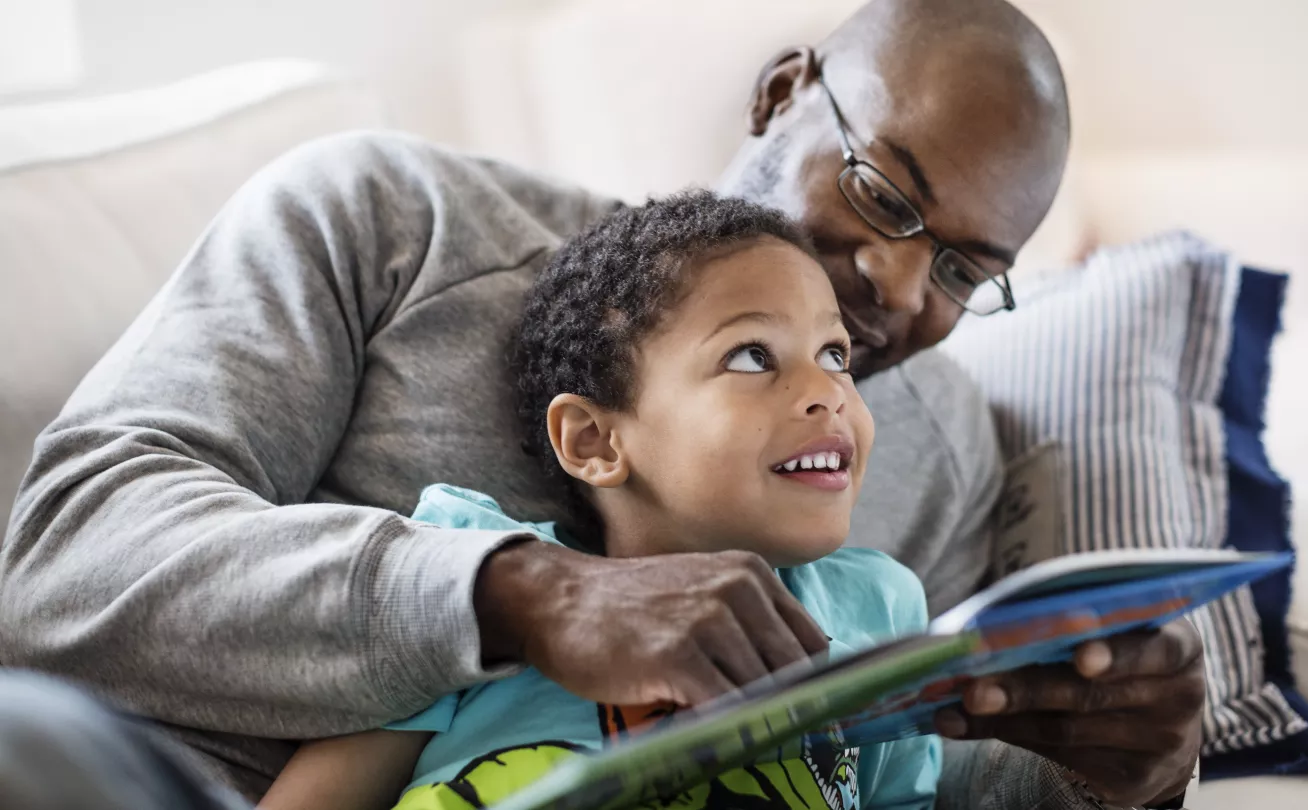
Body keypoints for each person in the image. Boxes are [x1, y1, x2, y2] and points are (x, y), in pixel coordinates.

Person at [0, 0, 1203, 807]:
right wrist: (522, 596)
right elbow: (59, 568)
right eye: (886, 192)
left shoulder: (931, 447)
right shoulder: (395, 215)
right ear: (784, 92)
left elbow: (899, 774)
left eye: (962, 272)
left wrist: (1129, 773)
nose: (895, 288)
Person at [261, 190, 941, 810]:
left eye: (833, 354)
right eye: (751, 356)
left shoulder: (880, 611)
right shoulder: (471, 573)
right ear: (593, 441)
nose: (829, 391)